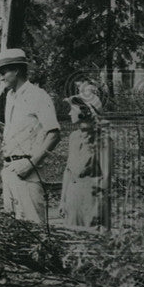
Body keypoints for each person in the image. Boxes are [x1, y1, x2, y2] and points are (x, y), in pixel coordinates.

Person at [0, 48, 61, 225]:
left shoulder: (38, 95)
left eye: (4, 72)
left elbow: (54, 134)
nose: (1, 77)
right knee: (12, 228)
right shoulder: (10, 96)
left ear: (17, 70)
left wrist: (30, 164)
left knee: (33, 228)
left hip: (28, 170)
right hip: (9, 169)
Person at [60, 94, 113, 229]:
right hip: (73, 195)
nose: (69, 112)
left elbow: (106, 176)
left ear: (85, 112)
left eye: (73, 109)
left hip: (92, 197)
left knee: (93, 240)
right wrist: (63, 200)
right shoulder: (74, 137)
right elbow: (68, 170)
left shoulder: (103, 139)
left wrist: (100, 207)